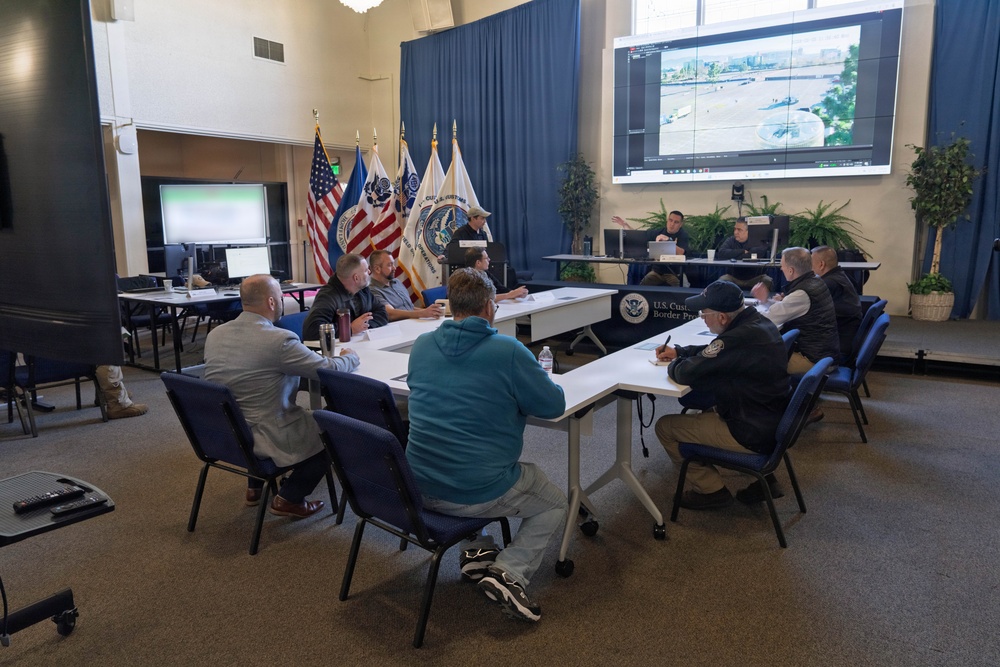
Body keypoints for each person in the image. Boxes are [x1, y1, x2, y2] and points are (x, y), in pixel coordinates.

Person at [405, 268, 567, 623]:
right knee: (555, 501)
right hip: (472, 491)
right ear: (491, 307)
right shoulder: (508, 351)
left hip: (417, 484)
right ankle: (510, 571)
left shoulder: (421, 346)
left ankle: (477, 549)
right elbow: (554, 405)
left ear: (450, 305)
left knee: (458, 444)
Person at [204, 274, 360, 518]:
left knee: (249, 400)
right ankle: (290, 498)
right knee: (335, 428)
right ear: (271, 302)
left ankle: (255, 486)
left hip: (227, 431)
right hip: (267, 431)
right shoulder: (278, 340)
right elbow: (326, 369)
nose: (281, 299)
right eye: (280, 296)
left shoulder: (215, 335)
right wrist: (351, 355)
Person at [654, 280, 791, 508]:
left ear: (723, 317)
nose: (702, 318)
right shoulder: (756, 323)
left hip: (750, 431)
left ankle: (710, 491)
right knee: (707, 408)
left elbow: (686, 373)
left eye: (704, 313)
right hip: (767, 419)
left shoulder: (737, 338)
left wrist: (676, 361)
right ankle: (765, 478)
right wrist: (679, 351)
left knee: (665, 427)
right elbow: (716, 351)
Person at [750, 247, 840, 375]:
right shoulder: (815, 281)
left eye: (782, 265)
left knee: (750, 359)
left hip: (813, 360)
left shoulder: (802, 294)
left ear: (791, 270)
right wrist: (765, 301)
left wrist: (739, 314)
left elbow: (768, 320)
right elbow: (786, 308)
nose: (781, 269)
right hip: (823, 354)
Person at [302, 253, 388, 341]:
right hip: (332, 351)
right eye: (366, 270)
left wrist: (363, 325)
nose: (369, 272)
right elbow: (312, 331)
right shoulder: (327, 297)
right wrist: (349, 328)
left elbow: (382, 313)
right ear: (356, 278)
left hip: (359, 343)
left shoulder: (363, 290)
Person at [811, 246, 862, 364]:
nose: (809, 267)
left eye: (811, 262)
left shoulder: (829, 283)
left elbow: (808, 309)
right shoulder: (840, 276)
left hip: (837, 350)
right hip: (845, 340)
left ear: (821, 264)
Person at [612, 209, 688, 286]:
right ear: (667, 220)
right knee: (641, 288)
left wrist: (668, 240)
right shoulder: (658, 232)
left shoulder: (683, 235)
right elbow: (638, 236)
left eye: (676, 222)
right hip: (657, 272)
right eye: (670, 220)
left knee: (684, 288)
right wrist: (625, 225)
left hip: (675, 273)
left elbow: (681, 252)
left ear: (680, 224)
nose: (672, 224)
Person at [368, 249, 444, 321]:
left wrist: (432, 312)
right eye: (389, 265)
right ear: (377, 269)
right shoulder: (371, 290)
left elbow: (409, 308)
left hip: (412, 323)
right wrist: (422, 313)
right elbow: (390, 313)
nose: (394, 268)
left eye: (393, 264)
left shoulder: (396, 282)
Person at [716, 218, 774, 291]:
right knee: (721, 282)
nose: (735, 232)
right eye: (735, 229)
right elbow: (721, 253)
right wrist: (742, 251)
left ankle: (764, 302)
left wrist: (733, 255)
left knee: (767, 281)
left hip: (755, 278)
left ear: (748, 232)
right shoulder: (731, 240)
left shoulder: (758, 241)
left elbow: (754, 255)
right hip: (733, 278)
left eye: (739, 230)